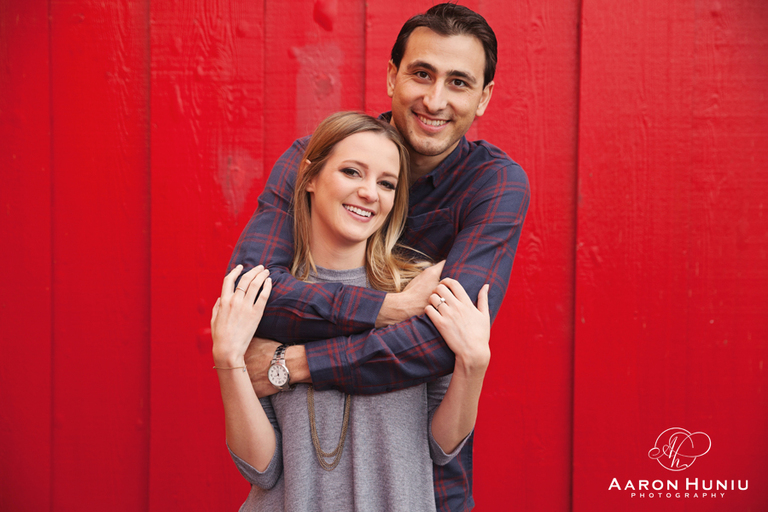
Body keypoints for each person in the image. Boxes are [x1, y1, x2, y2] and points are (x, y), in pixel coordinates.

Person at [228, 4, 530, 511]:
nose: (435, 99)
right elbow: (251, 293)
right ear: (392, 76)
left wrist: (296, 362)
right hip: (304, 486)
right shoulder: (322, 159)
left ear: (484, 98)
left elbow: (439, 344)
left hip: (422, 486)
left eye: (459, 82)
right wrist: (389, 309)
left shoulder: (492, 186)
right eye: (421, 73)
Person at [212, 112, 491, 511]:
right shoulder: (271, 302)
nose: (369, 193)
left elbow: (442, 447)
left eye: (386, 183)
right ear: (308, 178)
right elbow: (262, 468)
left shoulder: (417, 293)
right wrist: (227, 360)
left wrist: (473, 364)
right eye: (351, 172)